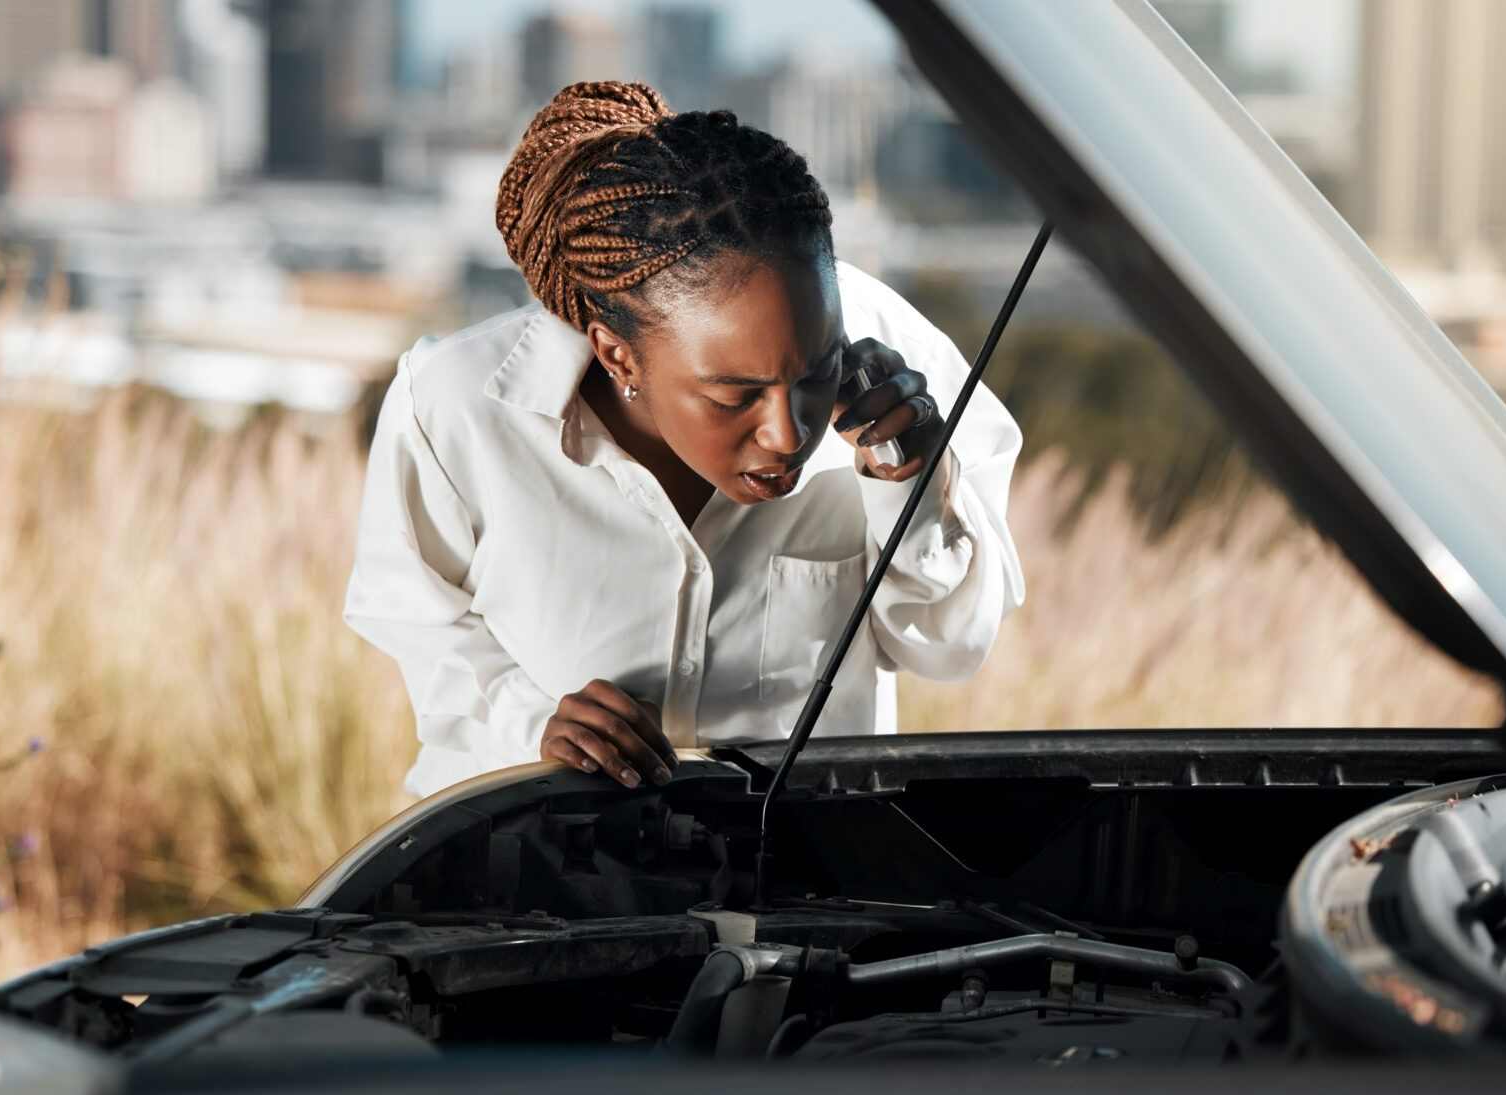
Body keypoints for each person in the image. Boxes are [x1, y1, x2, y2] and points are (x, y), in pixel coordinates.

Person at [346, 82, 1024, 798]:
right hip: (524, 868)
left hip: (802, 884)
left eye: (816, 375)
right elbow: (412, 614)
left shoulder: (908, 370)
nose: (788, 431)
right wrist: (530, 722)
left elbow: (951, 648)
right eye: (734, 395)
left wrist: (915, 490)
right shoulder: (455, 406)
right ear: (618, 356)